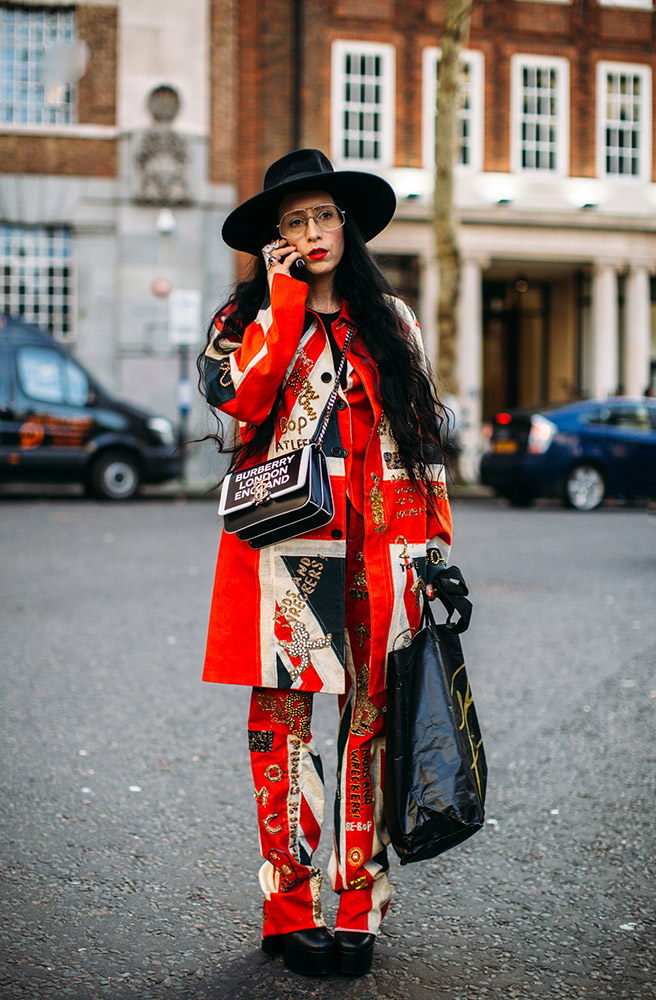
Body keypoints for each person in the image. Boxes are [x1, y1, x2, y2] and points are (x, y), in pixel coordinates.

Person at [199, 149, 453, 978]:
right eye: (294, 222)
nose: (312, 233)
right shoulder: (241, 320)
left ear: (346, 224)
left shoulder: (393, 321)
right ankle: (287, 902)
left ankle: (355, 905)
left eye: (323, 217)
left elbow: (422, 440)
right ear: (273, 238)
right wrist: (280, 299)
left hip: (383, 546)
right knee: (283, 725)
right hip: (286, 548)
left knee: (372, 724)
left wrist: (436, 549)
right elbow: (242, 397)